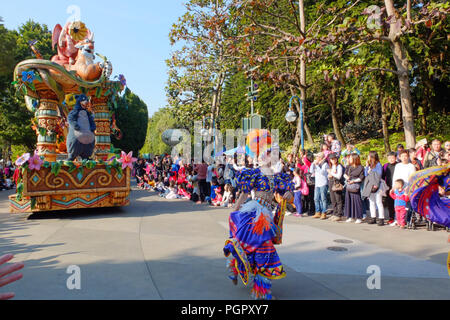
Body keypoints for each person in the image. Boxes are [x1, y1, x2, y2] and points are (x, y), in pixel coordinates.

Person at [223, 149, 294, 300]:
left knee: (256, 248)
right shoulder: (254, 173)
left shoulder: (277, 177)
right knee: (260, 248)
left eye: (273, 155)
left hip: (267, 215)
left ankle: (239, 272)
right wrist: (235, 211)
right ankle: (261, 292)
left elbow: (286, 193)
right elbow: (244, 193)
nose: (269, 157)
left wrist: (288, 195)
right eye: (268, 154)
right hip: (255, 214)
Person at [363, 151, 386, 226]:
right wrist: (367, 167)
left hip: (377, 185)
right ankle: (373, 217)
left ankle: (381, 218)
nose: (368, 157)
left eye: (369, 156)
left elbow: (379, 175)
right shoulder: (369, 165)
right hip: (370, 186)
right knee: (371, 202)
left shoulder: (378, 165)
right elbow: (366, 174)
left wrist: (371, 171)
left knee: (379, 202)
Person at [343, 154, 365, 223]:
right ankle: (350, 216)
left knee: (356, 201)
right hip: (349, 184)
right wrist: (347, 178)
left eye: (350, 158)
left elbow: (361, 178)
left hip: (355, 185)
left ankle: (359, 217)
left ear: (355, 159)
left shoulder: (360, 167)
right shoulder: (348, 166)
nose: (349, 159)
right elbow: (344, 174)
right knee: (348, 201)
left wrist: (353, 181)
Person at [310, 152, 329, 220]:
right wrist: (313, 164)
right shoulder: (316, 164)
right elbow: (311, 171)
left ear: (320, 158)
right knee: (316, 198)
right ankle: (318, 212)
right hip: (317, 184)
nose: (316, 158)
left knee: (323, 199)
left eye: (317, 157)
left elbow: (322, 172)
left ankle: (324, 212)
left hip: (323, 183)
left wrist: (317, 165)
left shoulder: (325, 164)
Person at [327, 153, 344, 222]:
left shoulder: (339, 166)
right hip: (331, 183)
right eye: (331, 159)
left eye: (334, 159)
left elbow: (339, 176)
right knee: (333, 199)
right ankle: (335, 213)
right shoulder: (332, 166)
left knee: (338, 199)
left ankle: (339, 214)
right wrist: (330, 174)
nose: (333, 160)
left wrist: (331, 173)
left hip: (337, 183)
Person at [382, 152, 398, 225]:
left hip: (398, 186)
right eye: (389, 158)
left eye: (393, 158)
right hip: (388, 187)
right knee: (390, 203)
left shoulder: (399, 165)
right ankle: (391, 217)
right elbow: (382, 176)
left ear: (396, 157)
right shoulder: (385, 166)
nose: (391, 159)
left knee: (398, 203)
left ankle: (398, 218)